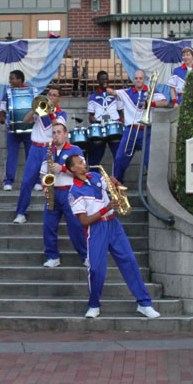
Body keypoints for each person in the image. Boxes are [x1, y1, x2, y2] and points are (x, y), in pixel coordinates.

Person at [66, 154, 160, 319]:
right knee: (96, 269)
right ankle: (94, 305)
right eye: (80, 163)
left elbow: (111, 188)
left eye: (84, 161)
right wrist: (107, 207)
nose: (85, 163)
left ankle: (144, 304)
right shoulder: (74, 191)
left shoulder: (95, 176)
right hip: (96, 229)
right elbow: (84, 221)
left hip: (113, 224)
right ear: (73, 169)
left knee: (129, 261)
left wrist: (116, 185)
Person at [13, 85, 65, 225]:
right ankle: (21, 212)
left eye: (54, 95)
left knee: (51, 183)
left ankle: (55, 212)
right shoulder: (40, 110)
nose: (51, 97)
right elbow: (25, 121)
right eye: (50, 94)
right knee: (26, 182)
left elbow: (58, 128)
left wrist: (50, 113)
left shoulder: (61, 113)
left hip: (50, 150)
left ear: (59, 98)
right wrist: (35, 109)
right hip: (35, 148)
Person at [40, 122, 88, 268]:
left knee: (76, 226)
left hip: (70, 192)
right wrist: (44, 186)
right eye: (54, 132)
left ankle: (86, 256)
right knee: (48, 226)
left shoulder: (75, 150)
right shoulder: (49, 150)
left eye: (59, 132)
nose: (56, 135)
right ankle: (52, 256)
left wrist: (62, 168)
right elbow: (43, 173)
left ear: (66, 134)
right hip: (53, 191)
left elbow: (83, 173)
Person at [111, 70, 168, 186]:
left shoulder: (151, 92)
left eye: (140, 78)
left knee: (149, 161)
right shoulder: (127, 92)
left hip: (146, 131)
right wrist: (105, 87)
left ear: (144, 80)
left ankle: (154, 187)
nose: (138, 80)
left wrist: (150, 104)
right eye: (136, 78)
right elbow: (113, 92)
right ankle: (118, 185)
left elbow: (164, 102)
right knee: (120, 158)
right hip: (131, 130)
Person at [0, 70, 32, 191]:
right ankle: (8, 181)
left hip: (29, 130)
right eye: (10, 78)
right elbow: (2, 109)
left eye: (12, 78)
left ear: (20, 79)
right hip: (12, 129)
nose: (10, 81)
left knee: (31, 156)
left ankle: (35, 181)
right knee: (11, 155)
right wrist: (2, 117)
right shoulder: (7, 92)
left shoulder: (30, 91)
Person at [86, 70, 121, 167]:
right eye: (102, 80)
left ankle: (118, 179)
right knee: (95, 157)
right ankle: (94, 178)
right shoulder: (93, 97)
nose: (104, 81)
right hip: (99, 129)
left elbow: (121, 112)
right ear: (98, 81)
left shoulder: (115, 94)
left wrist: (120, 123)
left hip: (114, 128)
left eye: (106, 79)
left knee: (118, 156)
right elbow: (90, 116)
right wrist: (93, 119)